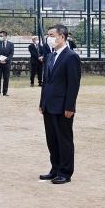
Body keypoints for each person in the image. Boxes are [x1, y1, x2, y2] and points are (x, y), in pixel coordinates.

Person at [39, 24, 82, 185]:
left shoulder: (71, 56)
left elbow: (73, 84)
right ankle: (55, 168)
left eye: (52, 35)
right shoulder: (50, 56)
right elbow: (46, 83)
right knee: (52, 139)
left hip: (63, 106)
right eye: (48, 35)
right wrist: (42, 103)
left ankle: (65, 172)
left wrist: (70, 107)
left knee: (63, 139)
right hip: (49, 105)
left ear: (62, 37)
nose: (49, 38)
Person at [0, 30, 14, 96]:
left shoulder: (11, 44)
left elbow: (11, 54)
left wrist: (6, 60)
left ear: (5, 36)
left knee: (6, 78)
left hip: (7, 64)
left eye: (1, 36)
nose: (0, 37)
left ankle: (5, 92)